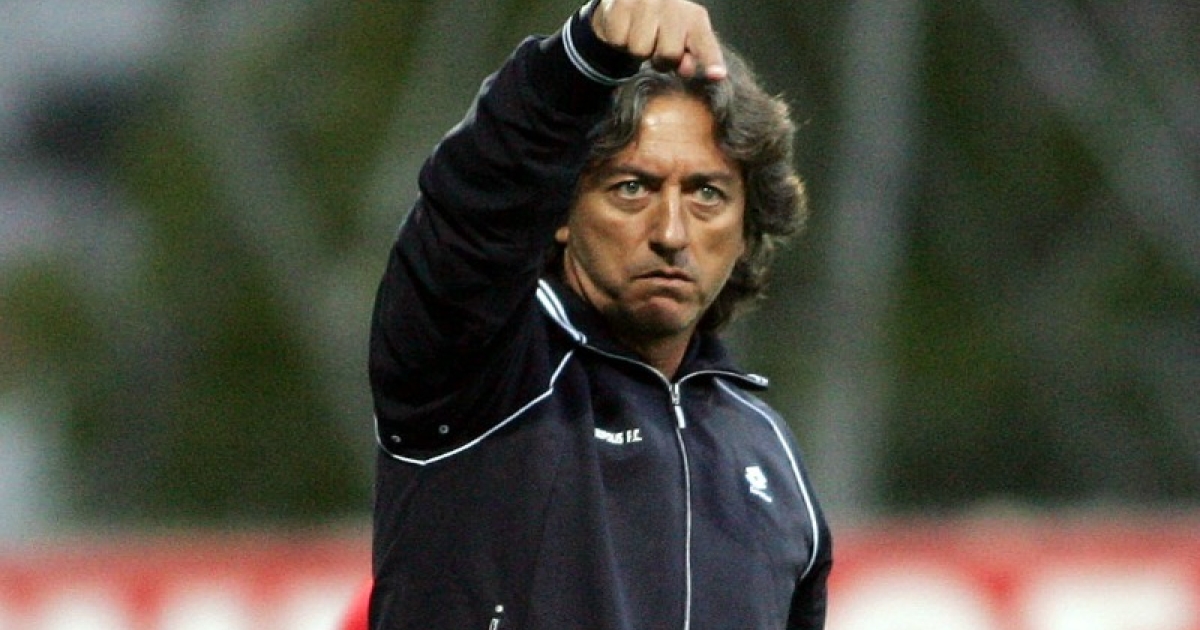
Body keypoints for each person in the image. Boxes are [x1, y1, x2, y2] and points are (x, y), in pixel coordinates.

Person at [368, 0, 832, 627]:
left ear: (748, 226)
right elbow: (473, 209)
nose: (671, 232)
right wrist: (581, 55)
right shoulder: (476, 371)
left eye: (706, 193)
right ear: (560, 212)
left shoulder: (771, 456)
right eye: (632, 188)